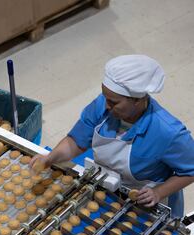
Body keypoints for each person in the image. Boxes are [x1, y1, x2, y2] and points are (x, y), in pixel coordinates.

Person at [30, 55, 194, 218]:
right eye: (105, 98)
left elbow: (191, 171)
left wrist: (158, 192)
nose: (106, 105)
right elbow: (76, 142)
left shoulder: (167, 132)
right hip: (104, 186)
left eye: (114, 102)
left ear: (137, 100)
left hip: (145, 203)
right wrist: (50, 158)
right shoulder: (104, 104)